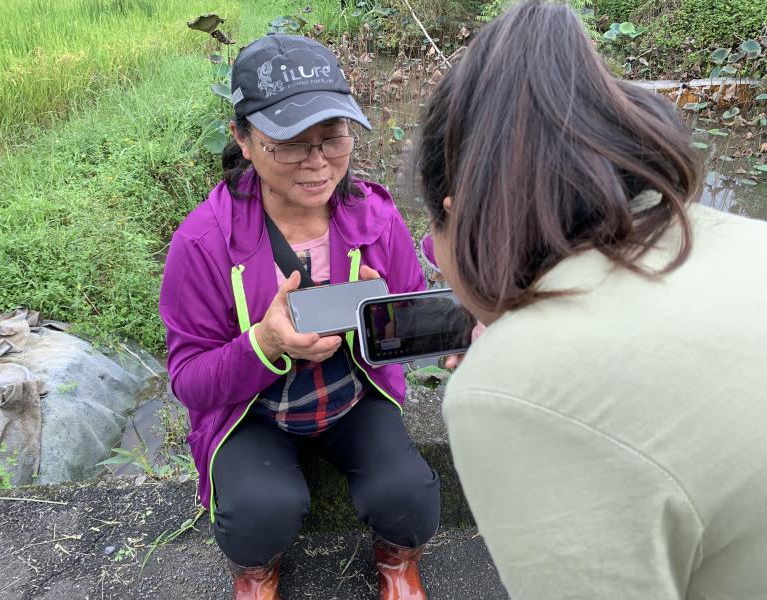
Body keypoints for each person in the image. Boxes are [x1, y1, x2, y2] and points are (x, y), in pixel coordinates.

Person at [415, 1, 767, 599]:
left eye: (431, 240)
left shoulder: (506, 390)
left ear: (458, 213)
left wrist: (514, 377)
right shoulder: (745, 240)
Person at [160, 34, 440, 600]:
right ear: (243, 138)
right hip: (253, 413)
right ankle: (257, 571)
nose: (317, 164)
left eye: (332, 138)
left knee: (410, 497)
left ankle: (397, 561)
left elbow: (412, 329)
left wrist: (381, 317)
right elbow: (189, 380)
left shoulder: (376, 218)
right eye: (288, 143)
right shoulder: (204, 242)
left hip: (352, 399)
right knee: (260, 514)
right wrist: (264, 342)